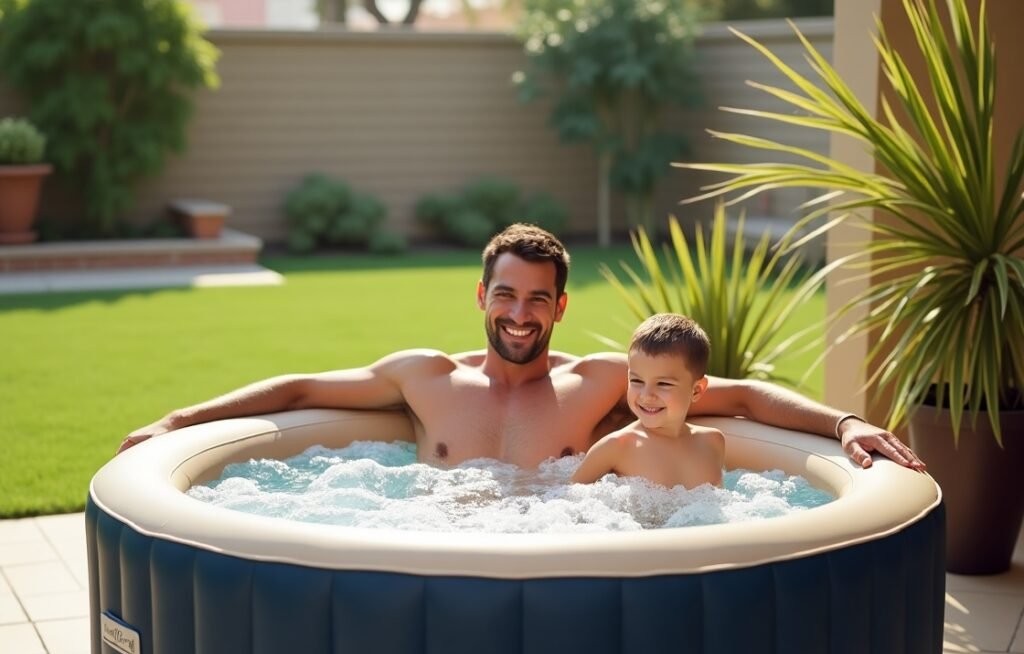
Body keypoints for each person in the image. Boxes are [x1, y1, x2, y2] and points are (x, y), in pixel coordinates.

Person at [119, 223, 925, 471]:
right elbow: (296, 392)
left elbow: (743, 398)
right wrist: (179, 420)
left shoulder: (604, 382)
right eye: (505, 294)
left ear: (560, 307)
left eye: (538, 298)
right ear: (482, 296)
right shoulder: (425, 379)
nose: (519, 313)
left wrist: (848, 424)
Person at [571, 313, 724, 489]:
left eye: (663, 384)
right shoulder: (617, 447)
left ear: (696, 390)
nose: (646, 395)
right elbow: (567, 504)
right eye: (636, 381)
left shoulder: (712, 442)